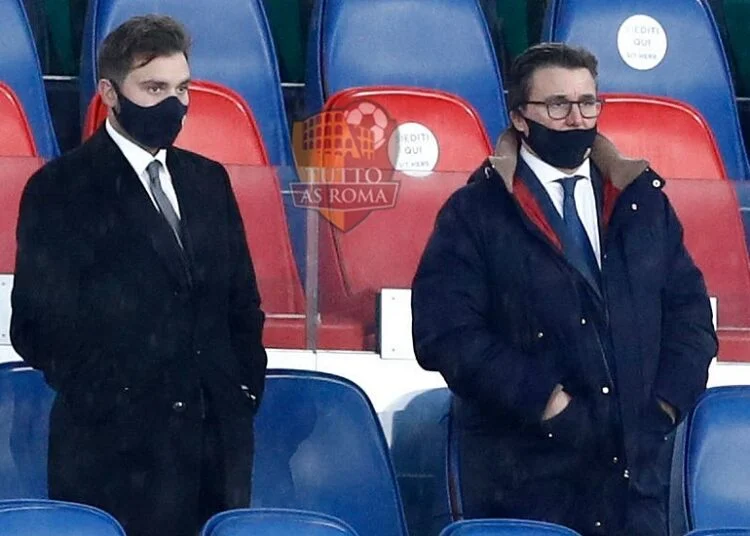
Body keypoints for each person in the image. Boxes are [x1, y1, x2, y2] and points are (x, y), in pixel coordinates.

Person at [411, 43, 717, 536]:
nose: (577, 118)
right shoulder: (477, 212)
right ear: (520, 118)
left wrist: (662, 407)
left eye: (588, 103)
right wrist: (546, 403)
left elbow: (691, 317)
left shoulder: (642, 203)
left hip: (634, 484)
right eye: (558, 105)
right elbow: (444, 333)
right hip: (525, 480)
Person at [10, 15, 267, 536]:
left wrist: (241, 391)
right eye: (154, 88)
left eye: (182, 88)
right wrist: (121, 400)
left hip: (215, 448)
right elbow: (38, 327)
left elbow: (242, 303)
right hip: (113, 454)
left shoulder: (208, 181)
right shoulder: (62, 188)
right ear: (109, 92)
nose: (174, 104)